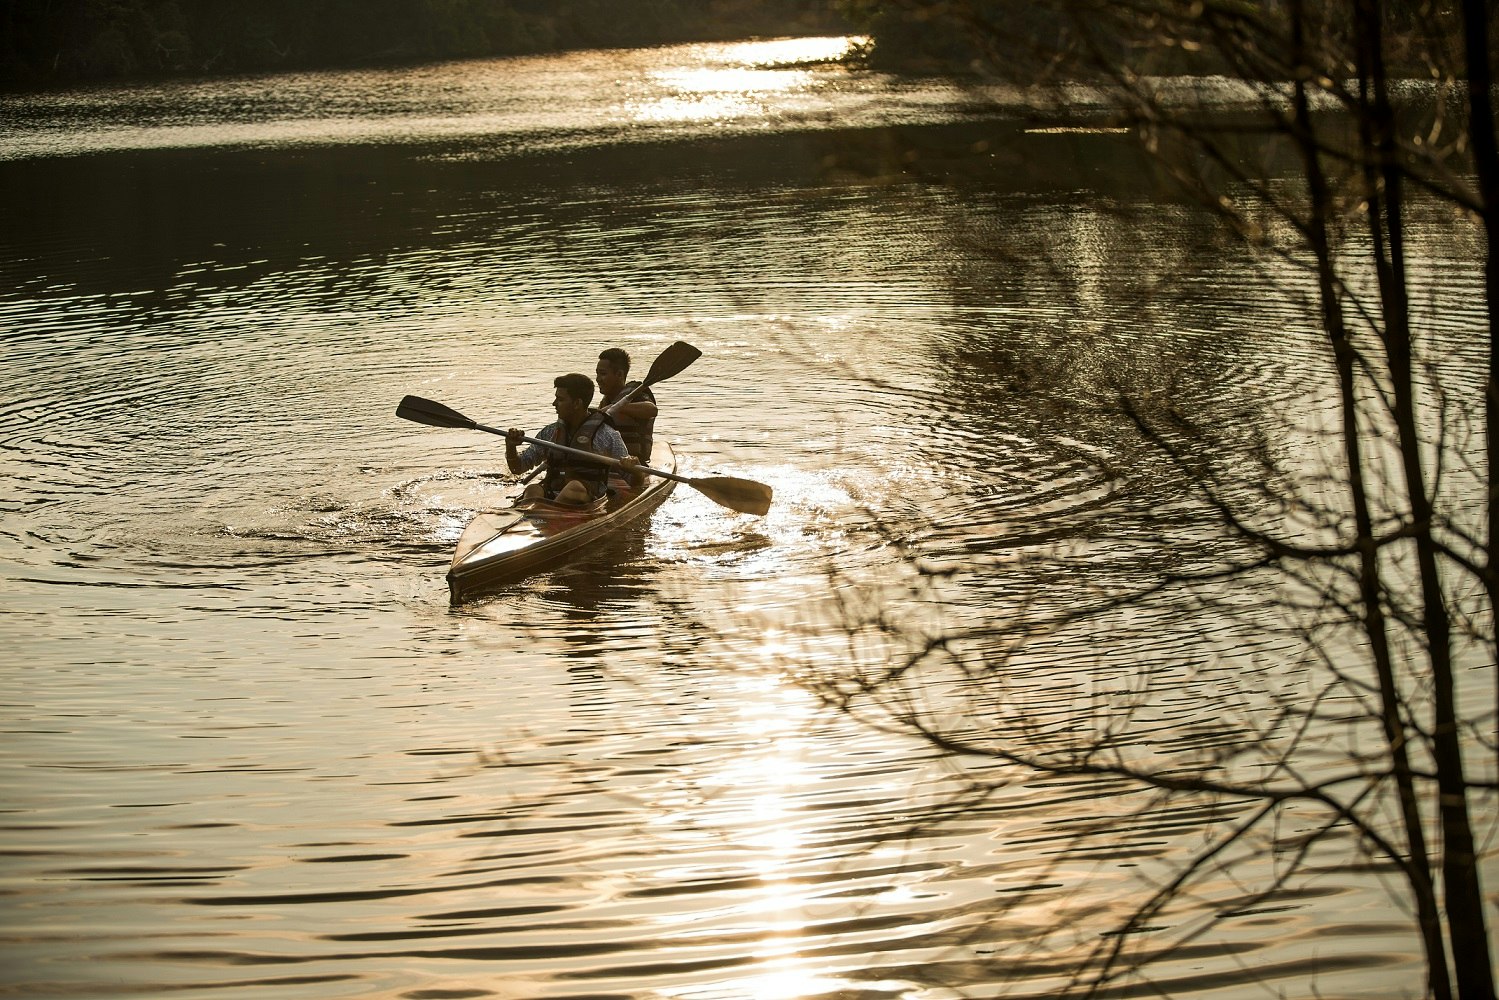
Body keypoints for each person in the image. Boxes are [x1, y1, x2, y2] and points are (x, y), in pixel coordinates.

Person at [505, 373, 634, 505]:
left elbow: (635, 480)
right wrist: (510, 446)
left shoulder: (607, 435)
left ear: (577, 403)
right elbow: (517, 468)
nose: (554, 404)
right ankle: (534, 515)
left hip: (587, 498)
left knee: (574, 488)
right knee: (533, 489)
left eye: (560, 399)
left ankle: (546, 515)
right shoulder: (550, 432)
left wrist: (632, 467)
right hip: (553, 494)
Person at [595, 349, 658, 491]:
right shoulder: (604, 402)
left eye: (603, 374)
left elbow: (651, 410)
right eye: (597, 373)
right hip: (610, 467)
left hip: (634, 467)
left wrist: (617, 408)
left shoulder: (635, 394)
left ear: (619, 374)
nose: (598, 378)